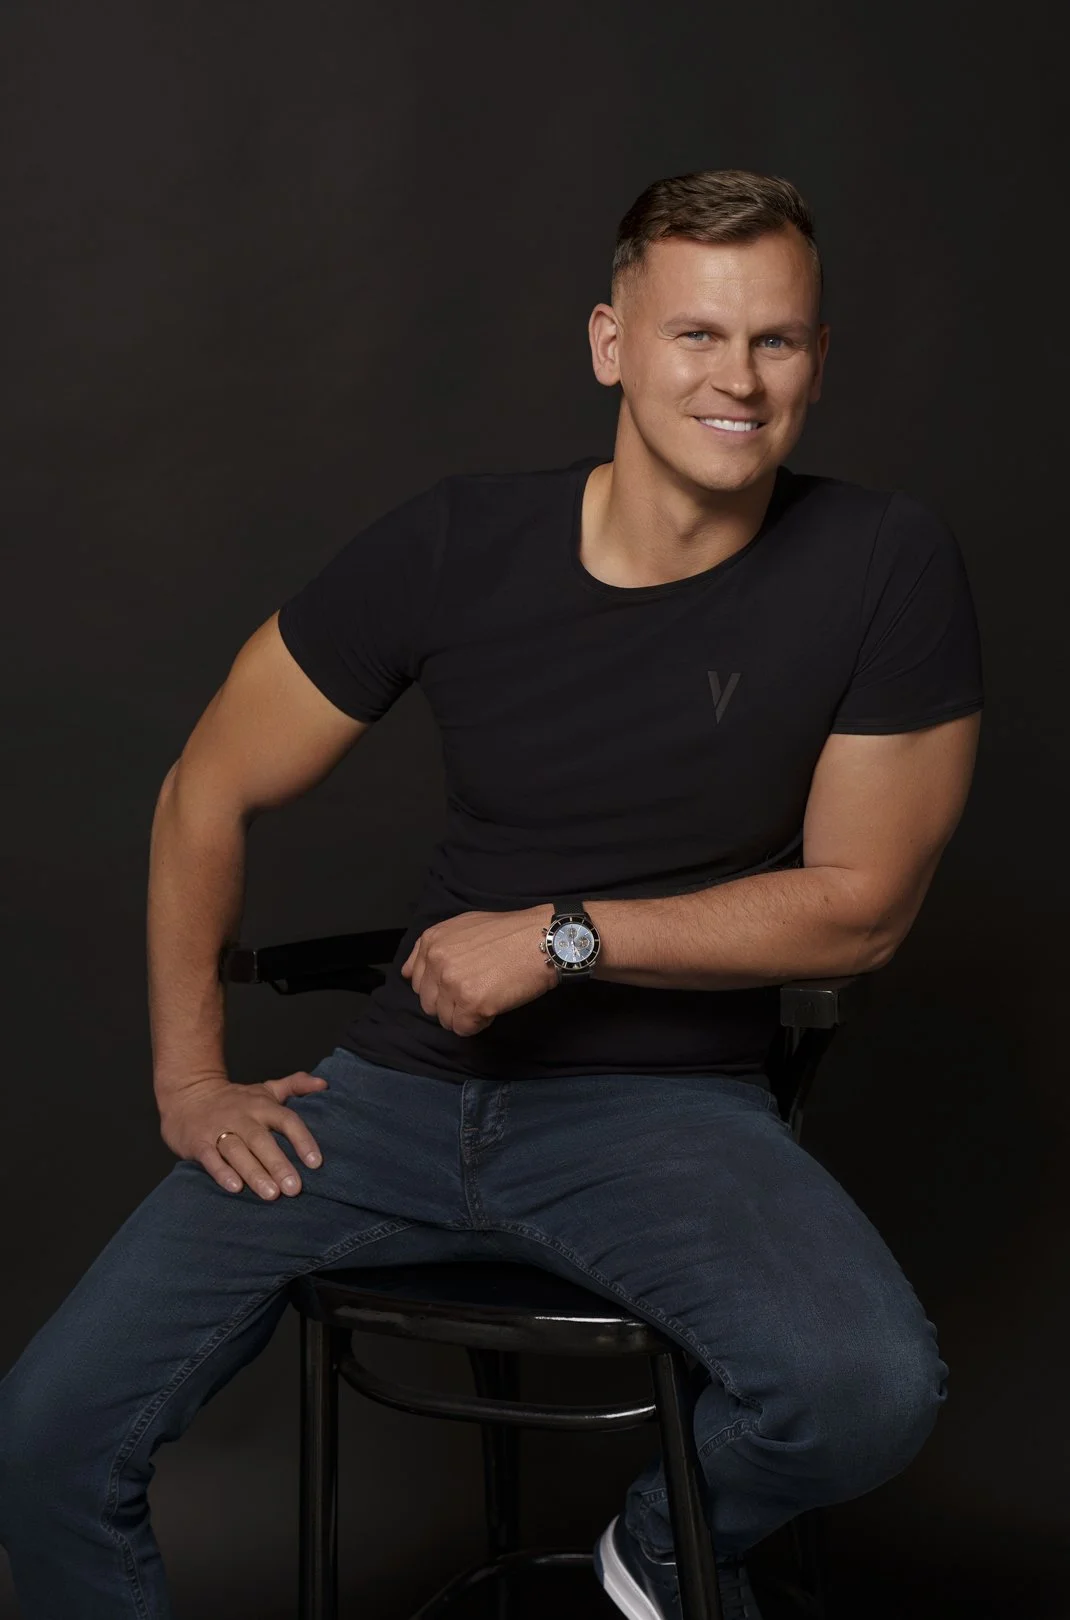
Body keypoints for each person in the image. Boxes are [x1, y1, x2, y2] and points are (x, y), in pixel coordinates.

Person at [0, 169, 983, 1620]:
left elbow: (862, 908)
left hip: (661, 1111)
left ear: (820, 362)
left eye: (778, 341)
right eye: (697, 336)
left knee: (868, 1392)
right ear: (611, 344)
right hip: (392, 1099)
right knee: (43, 1442)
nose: (740, 378)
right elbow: (204, 785)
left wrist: (566, 938)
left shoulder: (882, 563)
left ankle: (649, 1563)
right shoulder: (458, 542)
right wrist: (190, 1077)